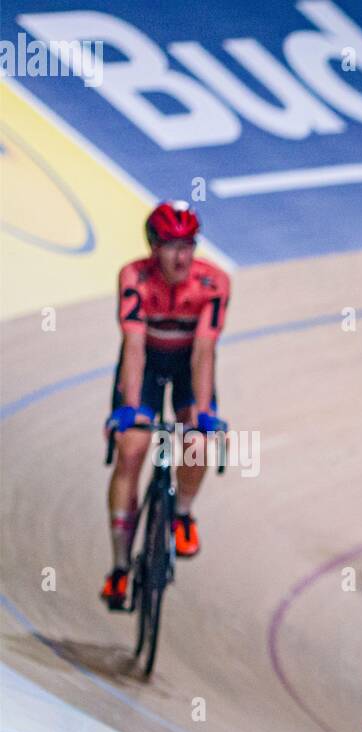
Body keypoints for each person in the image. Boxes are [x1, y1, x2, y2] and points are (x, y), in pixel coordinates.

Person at [101, 201, 230, 609]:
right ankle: (120, 568)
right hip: (147, 367)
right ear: (154, 247)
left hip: (187, 366)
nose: (182, 257)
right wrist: (130, 408)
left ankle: (182, 515)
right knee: (132, 449)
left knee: (198, 444)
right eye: (173, 246)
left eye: (188, 245)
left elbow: (204, 352)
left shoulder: (213, 282)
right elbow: (134, 346)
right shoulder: (134, 277)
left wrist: (204, 414)